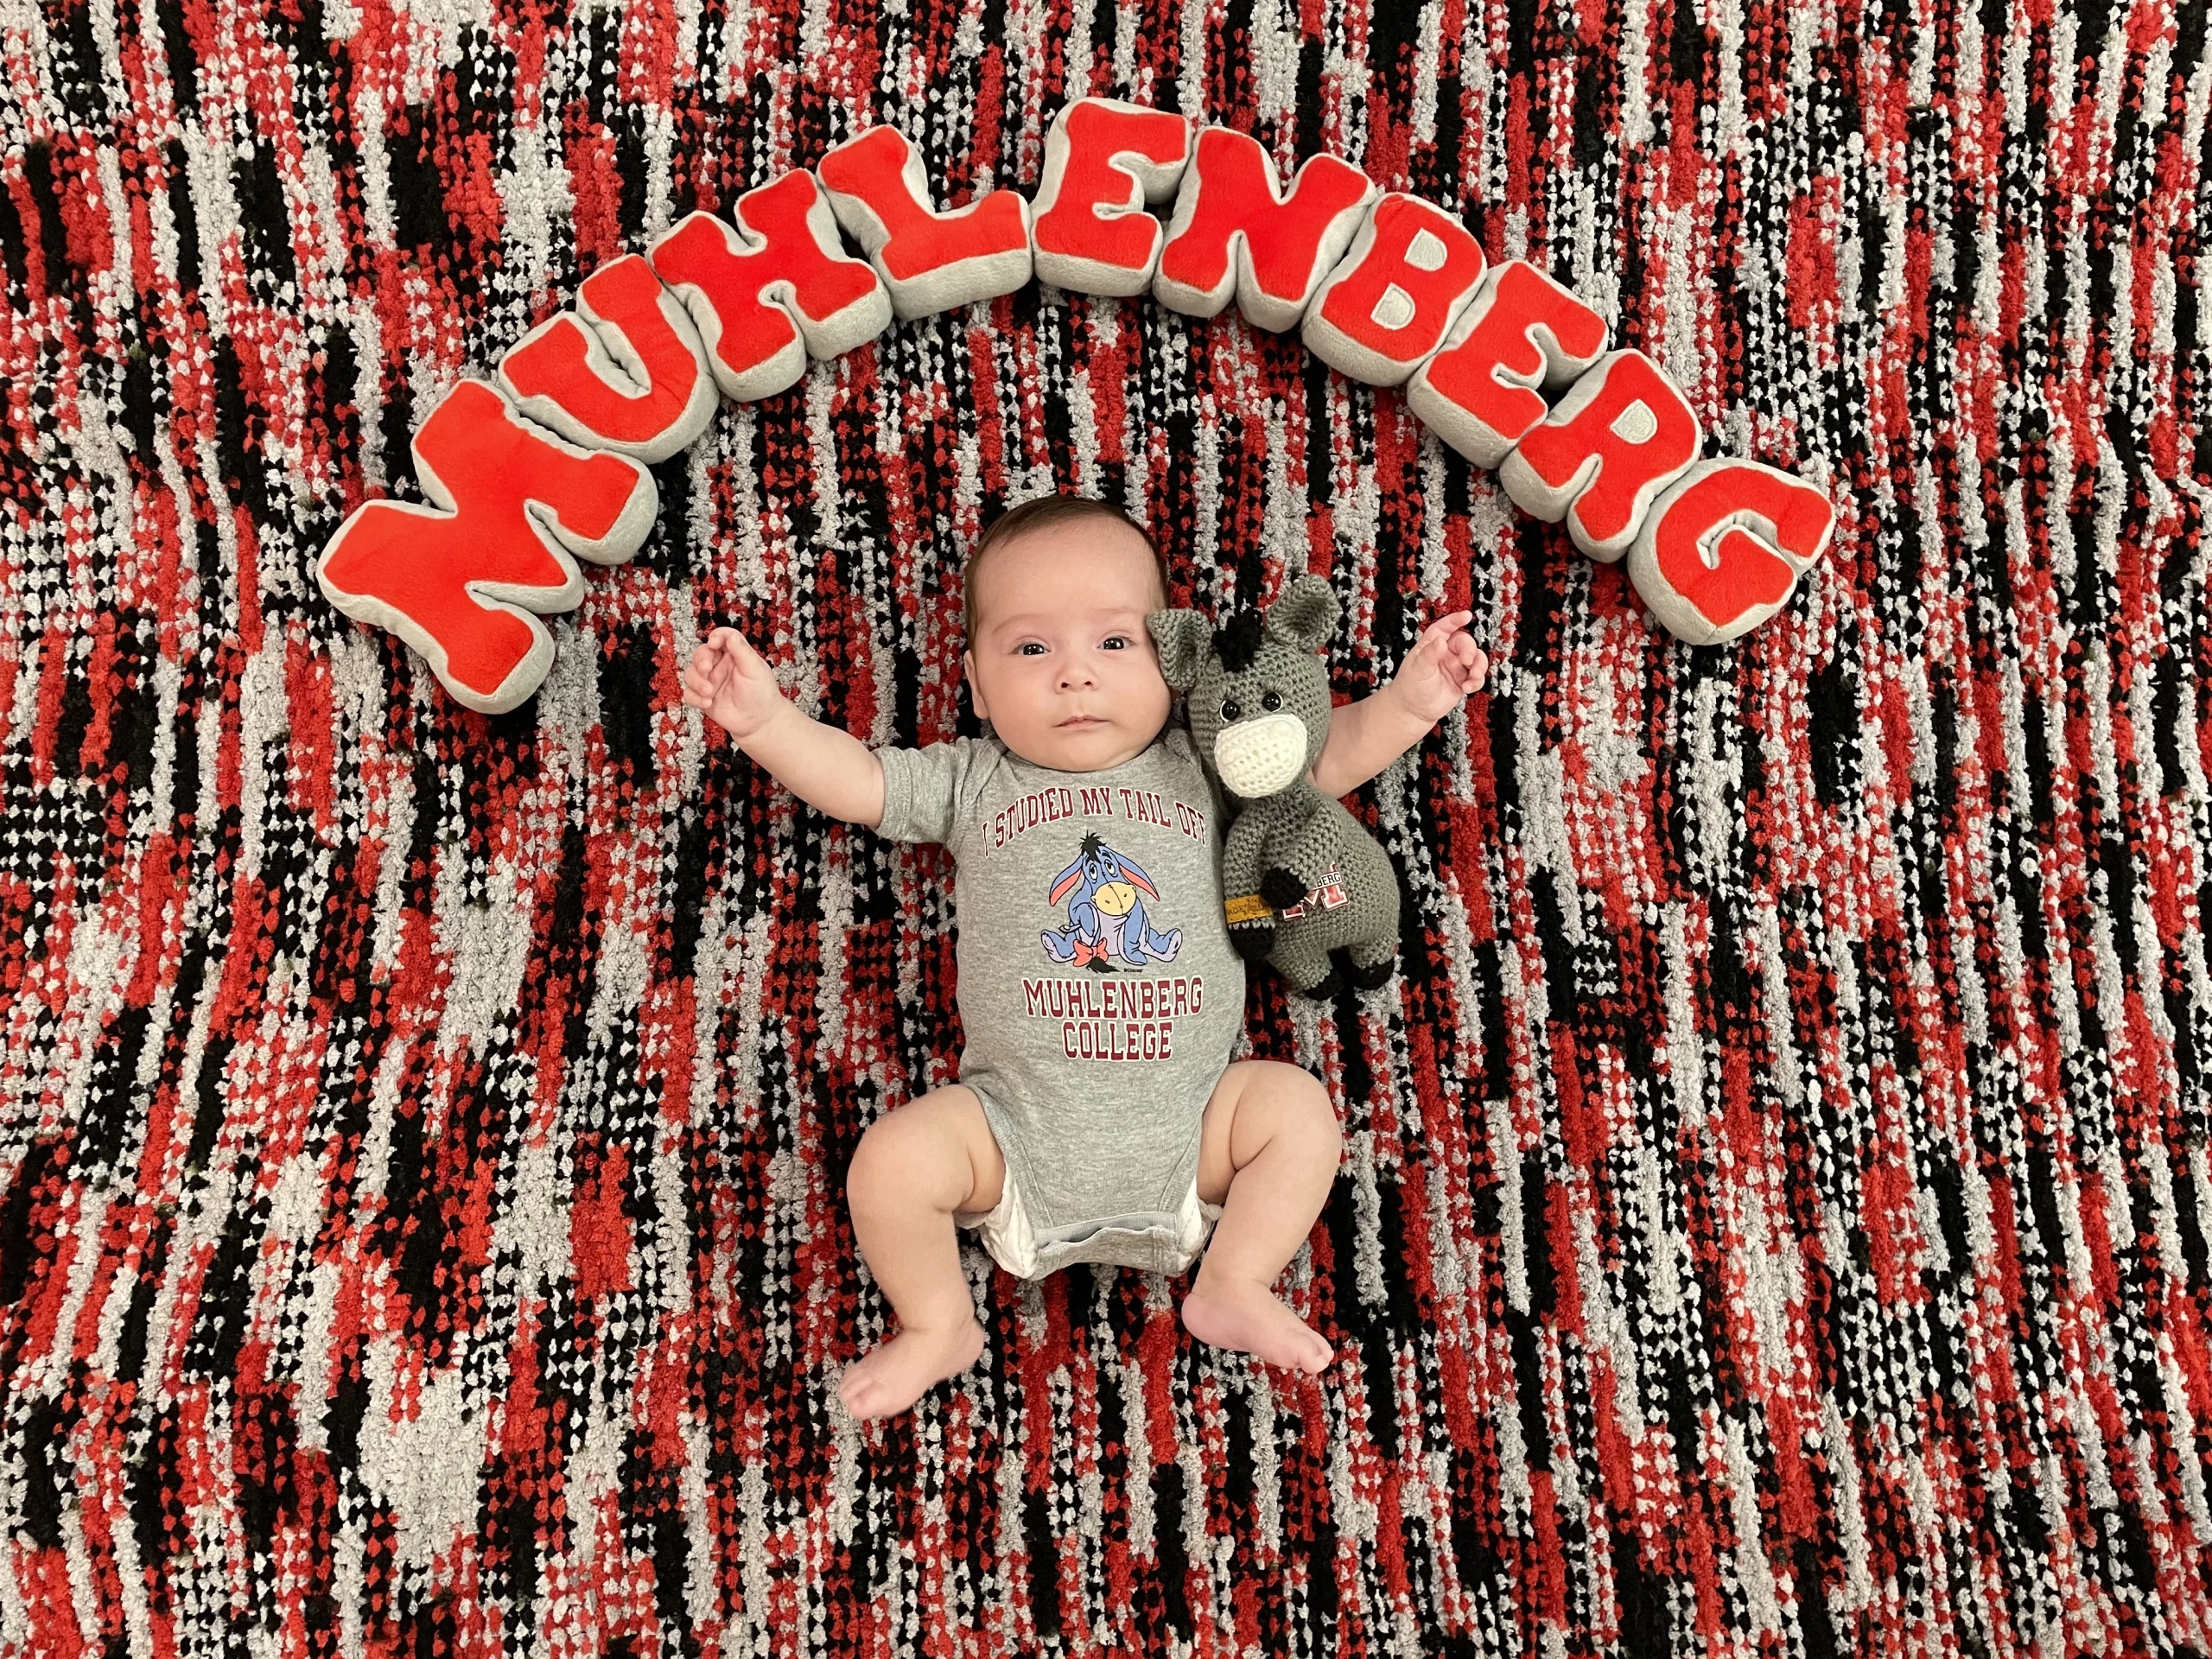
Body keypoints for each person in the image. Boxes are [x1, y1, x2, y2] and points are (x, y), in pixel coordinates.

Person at [681, 496, 1487, 1420]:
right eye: (1031, 650)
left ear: (1172, 666)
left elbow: (1322, 758)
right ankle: (937, 1323)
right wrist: (765, 722)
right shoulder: (972, 778)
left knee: (1298, 1112)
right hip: (1011, 1142)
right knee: (890, 1165)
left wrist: (1411, 701)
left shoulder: (1204, 763)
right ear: (979, 690)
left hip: (1196, 1138)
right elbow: (859, 781)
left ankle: (1233, 1282)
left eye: (1114, 645)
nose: (1074, 677)